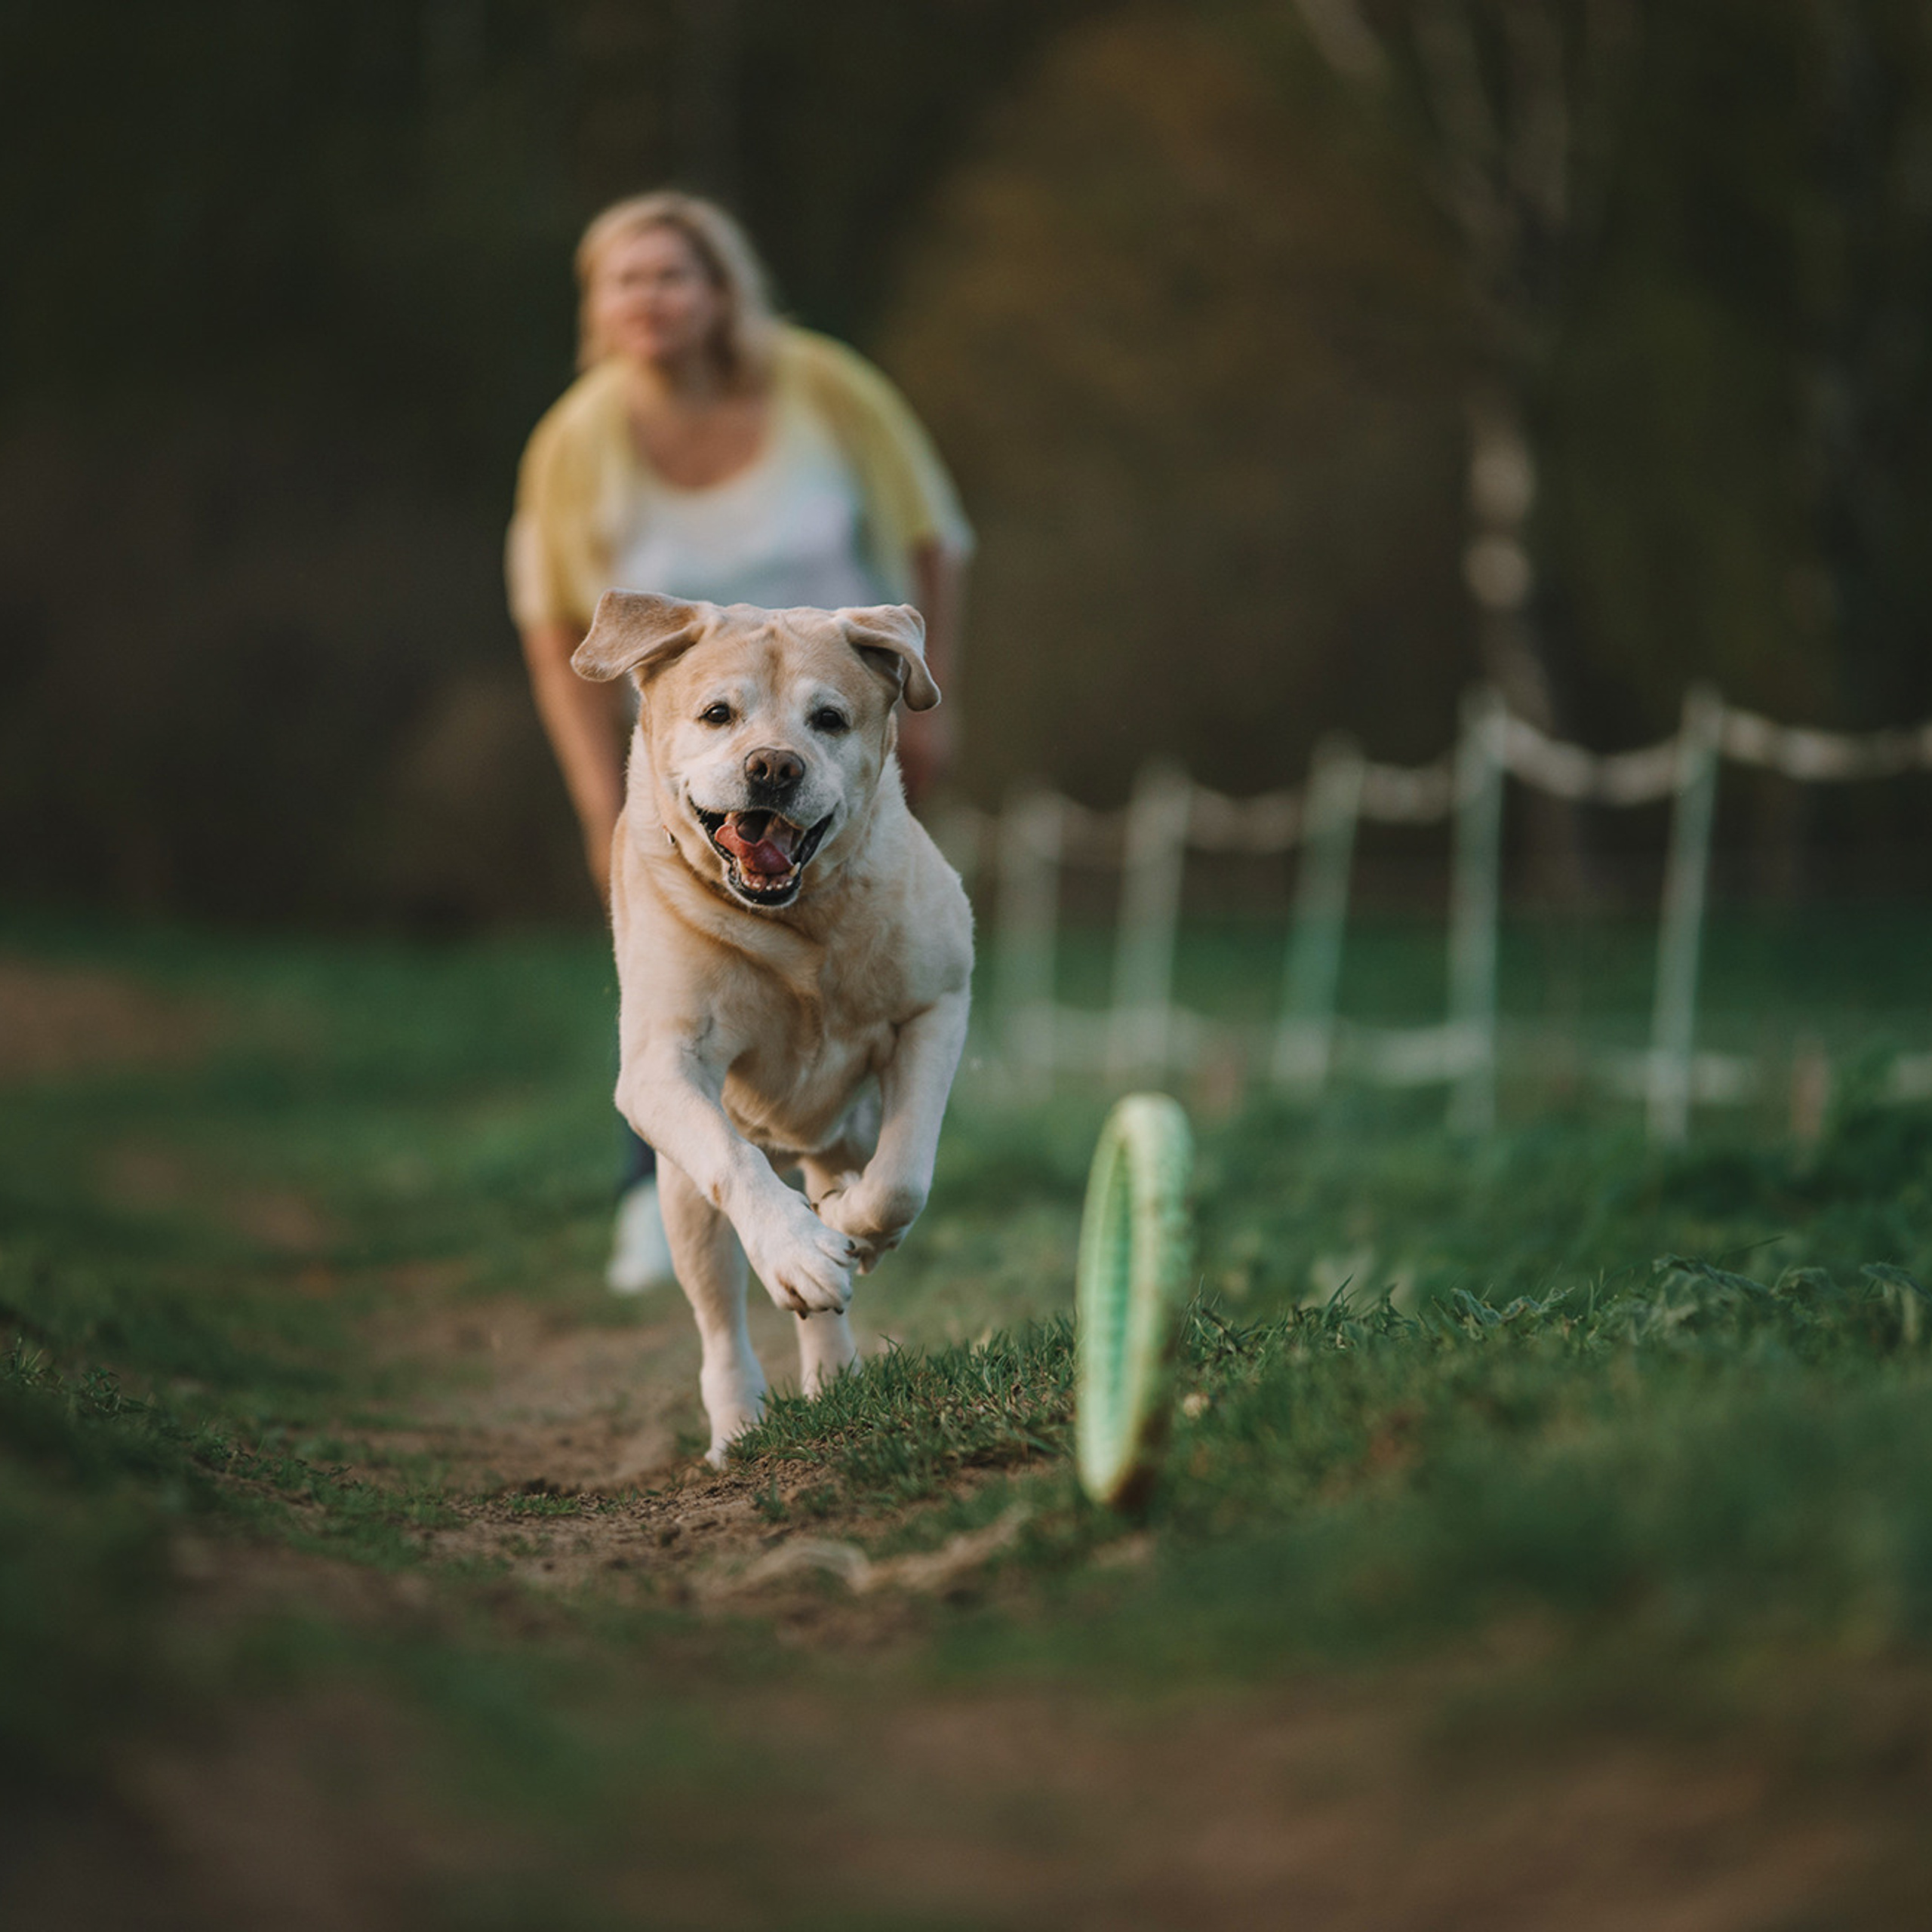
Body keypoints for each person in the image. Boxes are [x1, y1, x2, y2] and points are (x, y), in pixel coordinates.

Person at [506, 190, 974, 1294]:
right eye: (624, 280)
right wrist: (594, 801)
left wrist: (937, 696)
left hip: (840, 726)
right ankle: (653, 1195)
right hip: (697, 756)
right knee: (677, 987)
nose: (649, 299)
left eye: (672, 275)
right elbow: (555, 629)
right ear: (597, 306)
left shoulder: (827, 389)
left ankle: (851, 1170)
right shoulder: (578, 438)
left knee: (863, 951)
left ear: (722, 290)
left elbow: (935, 537)